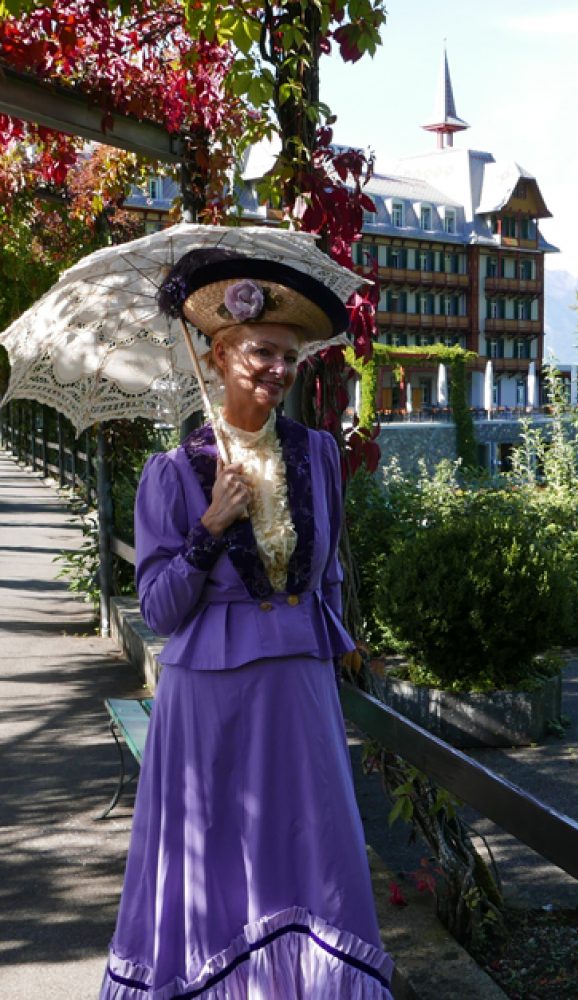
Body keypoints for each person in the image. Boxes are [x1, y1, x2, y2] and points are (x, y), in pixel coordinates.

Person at [99, 247, 394, 999]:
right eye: (261, 351)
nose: (277, 368)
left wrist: (348, 655)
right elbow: (162, 612)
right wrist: (209, 525)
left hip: (300, 692)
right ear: (219, 353)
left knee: (315, 854)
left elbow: (327, 577)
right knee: (217, 861)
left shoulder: (320, 454)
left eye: (288, 355)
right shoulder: (173, 471)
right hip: (210, 707)